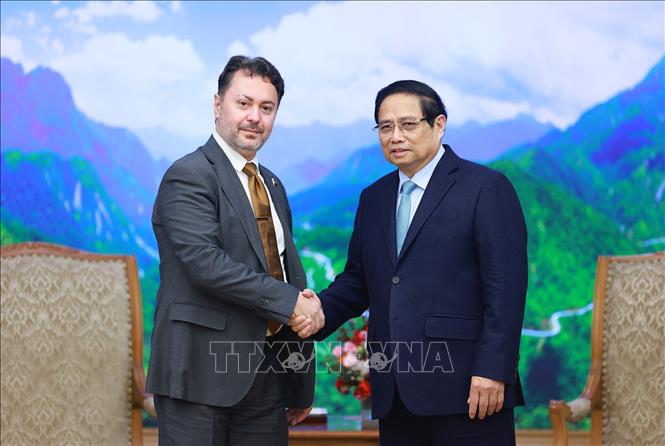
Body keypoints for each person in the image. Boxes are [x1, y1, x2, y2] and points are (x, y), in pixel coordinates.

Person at [291, 80, 527, 445]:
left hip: (470, 389)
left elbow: (506, 289)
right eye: (385, 127)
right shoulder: (374, 198)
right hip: (395, 392)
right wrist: (317, 310)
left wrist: (493, 370)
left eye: (408, 124)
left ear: (439, 125)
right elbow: (358, 281)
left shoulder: (485, 187)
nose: (395, 136)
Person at [146, 55, 324, 446]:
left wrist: (299, 379)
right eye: (243, 103)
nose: (254, 117)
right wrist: (292, 303)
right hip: (198, 375)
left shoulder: (272, 185)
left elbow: (285, 272)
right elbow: (206, 264)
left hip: (267, 379)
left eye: (267, 107)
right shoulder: (188, 175)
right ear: (218, 104)